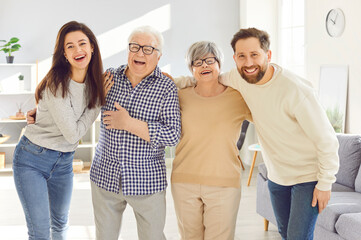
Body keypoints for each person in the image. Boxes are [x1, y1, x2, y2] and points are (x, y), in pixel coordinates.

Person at [175, 28, 339, 240]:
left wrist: (325, 183)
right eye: (242, 56)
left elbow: (327, 140)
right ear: (234, 59)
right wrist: (182, 81)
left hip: (307, 177)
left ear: (268, 55)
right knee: (285, 234)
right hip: (277, 177)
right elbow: (208, 77)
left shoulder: (295, 90)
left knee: (298, 237)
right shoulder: (238, 78)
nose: (249, 63)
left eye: (255, 55)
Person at [13, 21, 112, 240]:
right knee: (40, 231)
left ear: (92, 47)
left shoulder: (95, 81)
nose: (78, 50)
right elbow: (73, 133)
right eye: (70, 46)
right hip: (32, 160)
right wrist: (97, 103)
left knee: (60, 224)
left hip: (64, 161)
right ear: (64, 54)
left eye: (82, 43)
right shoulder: (57, 83)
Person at [89, 26, 181, 240]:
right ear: (128, 50)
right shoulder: (109, 77)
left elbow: (173, 134)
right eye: (135, 47)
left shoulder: (166, 87)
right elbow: (83, 106)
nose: (140, 53)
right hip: (105, 177)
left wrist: (129, 123)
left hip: (146, 180)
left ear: (158, 56)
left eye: (148, 49)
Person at [171, 41, 252, 240]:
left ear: (219, 64)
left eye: (209, 60)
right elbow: (159, 85)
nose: (204, 66)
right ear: (191, 68)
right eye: (197, 62)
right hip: (184, 182)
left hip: (224, 184)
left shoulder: (238, 97)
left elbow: (268, 119)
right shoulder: (180, 96)